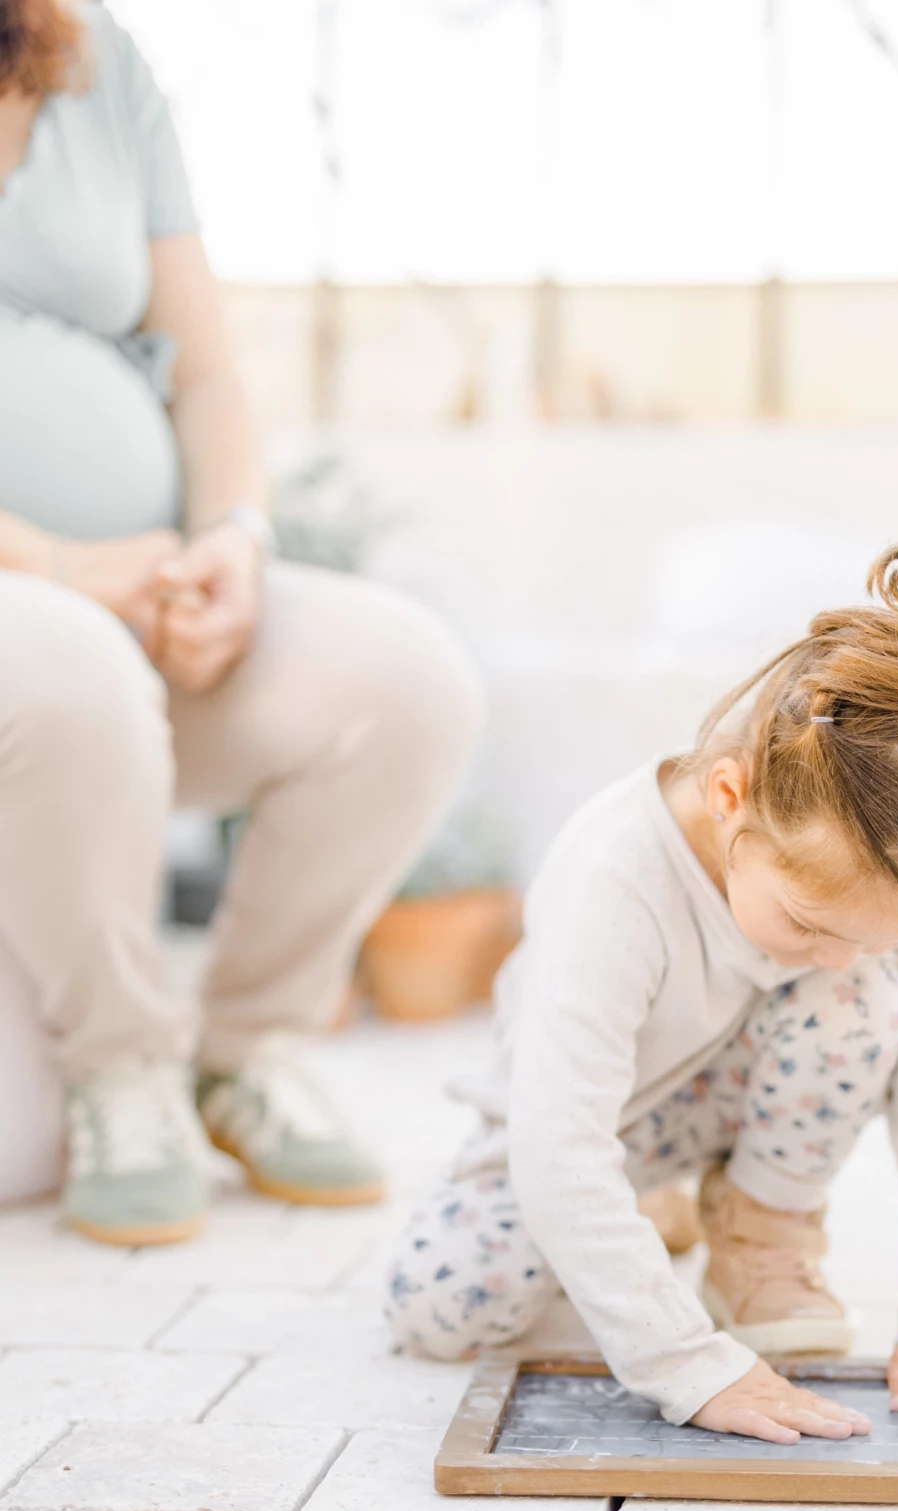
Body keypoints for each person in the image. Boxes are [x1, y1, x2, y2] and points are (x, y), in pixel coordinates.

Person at [386, 533, 898, 1444]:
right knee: (441, 1308)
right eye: (810, 924)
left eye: (888, 938)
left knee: (860, 1001)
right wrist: (684, 1364)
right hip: (581, 1118)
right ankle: (650, 1208)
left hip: (733, 1100)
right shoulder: (615, 879)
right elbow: (558, 1140)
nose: (839, 956)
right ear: (731, 799)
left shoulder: (895, 883)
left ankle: (757, 1234)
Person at [0, 2, 484, 1244]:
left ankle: (243, 1050)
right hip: (53, 630)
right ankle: (120, 1067)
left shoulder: (91, 51)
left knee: (407, 682)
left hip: (137, 599)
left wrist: (232, 540)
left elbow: (207, 371)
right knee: (73, 666)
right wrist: (55, 567)